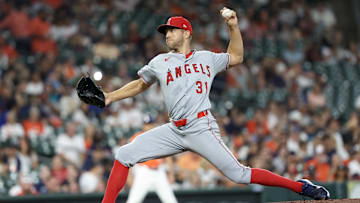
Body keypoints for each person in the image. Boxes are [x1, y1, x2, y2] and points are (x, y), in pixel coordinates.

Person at [100, 7, 330, 203]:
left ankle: (299, 187)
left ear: (186, 32)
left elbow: (237, 56)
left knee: (239, 174)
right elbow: (140, 85)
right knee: (125, 154)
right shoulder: (160, 61)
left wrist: (233, 26)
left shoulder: (206, 58)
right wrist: (110, 96)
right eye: (165, 31)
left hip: (201, 126)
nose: (167, 34)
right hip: (174, 129)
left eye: (172, 30)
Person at [125, 115, 177, 203]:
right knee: (133, 201)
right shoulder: (136, 138)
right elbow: (129, 158)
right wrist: (129, 176)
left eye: (149, 124)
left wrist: (171, 173)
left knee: (170, 200)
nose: (147, 126)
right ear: (143, 125)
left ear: (153, 125)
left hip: (159, 172)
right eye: (146, 124)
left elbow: (168, 157)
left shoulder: (161, 137)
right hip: (143, 172)